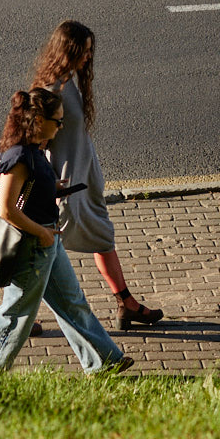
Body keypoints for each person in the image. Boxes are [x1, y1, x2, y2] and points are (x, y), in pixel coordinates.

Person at [0, 88, 134, 375]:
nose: (60, 126)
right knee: (15, 313)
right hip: (34, 244)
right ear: (37, 119)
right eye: (56, 121)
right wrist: (42, 234)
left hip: (47, 241)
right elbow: (7, 209)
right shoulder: (18, 157)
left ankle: (103, 362)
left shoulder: (33, 150)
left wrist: (53, 187)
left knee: (72, 302)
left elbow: (27, 191)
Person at [32, 20, 164, 330]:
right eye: (84, 51)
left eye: (91, 51)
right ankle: (20, 315)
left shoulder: (67, 84)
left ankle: (126, 303)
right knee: (46, 251)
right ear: (68, 51)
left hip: (83, 184)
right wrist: (49, 187)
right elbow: (34, 148)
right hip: (64, 189)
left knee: (101, 237)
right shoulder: (50, 93)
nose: (88, 57)